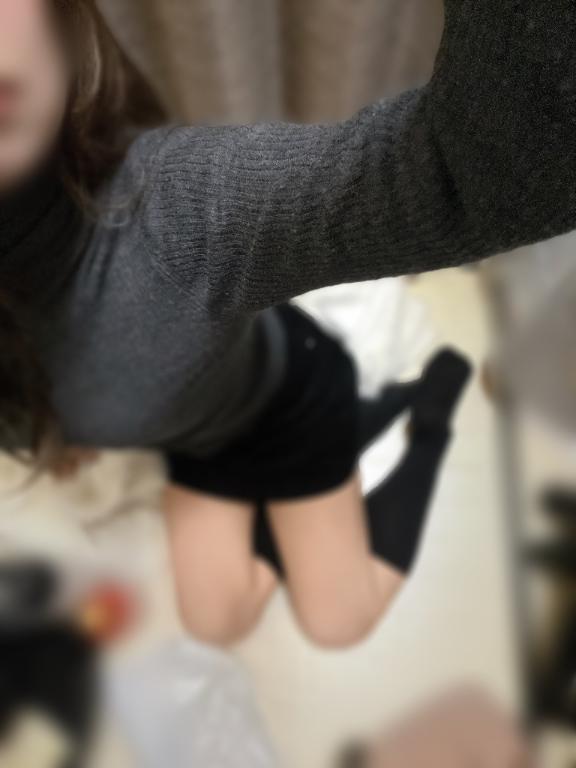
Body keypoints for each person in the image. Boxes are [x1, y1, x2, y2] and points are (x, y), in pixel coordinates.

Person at [0, 0, 574, 649]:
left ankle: (429, 415)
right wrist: (55, 432)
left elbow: (488, 176)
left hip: (292, 403)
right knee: (217, 622)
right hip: (199, 440)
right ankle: (353, 438)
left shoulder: (175, 214)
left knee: (336, 623)